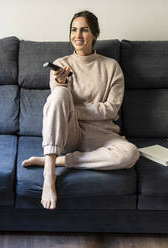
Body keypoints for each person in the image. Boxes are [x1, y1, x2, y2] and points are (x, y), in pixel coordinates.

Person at [22, 10, 140, 210]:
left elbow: (111, 110)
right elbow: (58, 105)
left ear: (94, 34)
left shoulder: (111, 67)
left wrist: (74, 110)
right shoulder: (60, 65)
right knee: (58, 94)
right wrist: (61, 84)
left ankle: (61, 161)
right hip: (70, 133)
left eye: (84, 30)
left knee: (130, 154)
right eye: (73, 30)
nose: (78, 35)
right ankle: (49, 173)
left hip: (102, 135)